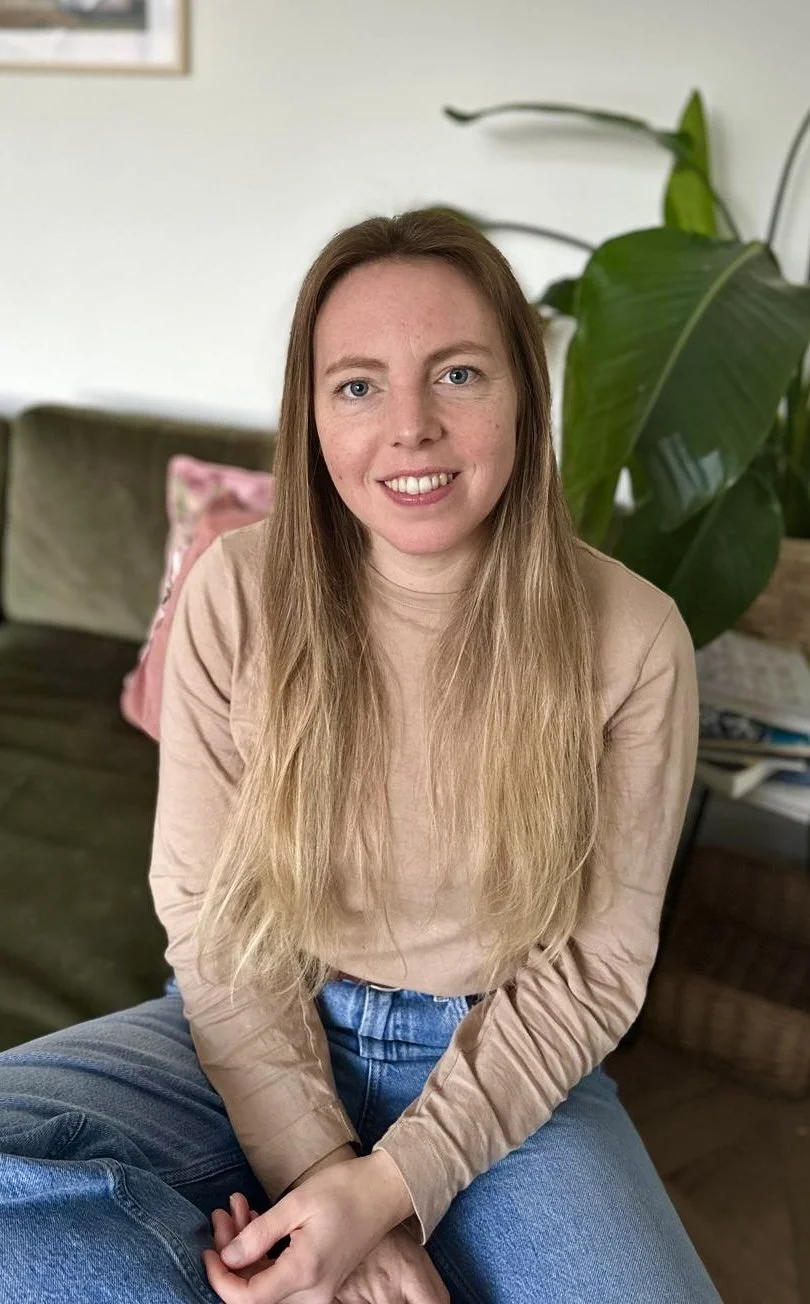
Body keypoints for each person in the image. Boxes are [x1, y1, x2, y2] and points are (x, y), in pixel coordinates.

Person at [0, 208, 721, 1304]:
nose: (410, 428)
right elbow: (208, 913)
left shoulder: (635, 636)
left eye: (459, 375)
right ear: (312, 414)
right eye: (358, 386)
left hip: (506, 1064)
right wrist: (324, 1189)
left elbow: (594, 969)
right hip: (251, 1028)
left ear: (525, 394)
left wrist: (389, 1188)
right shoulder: (236, 591)